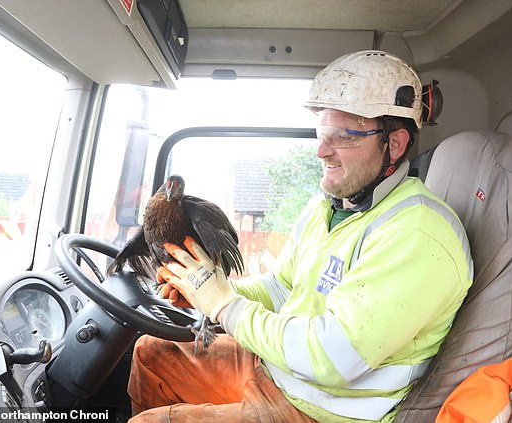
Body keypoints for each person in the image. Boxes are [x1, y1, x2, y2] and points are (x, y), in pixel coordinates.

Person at [127, 50, 474, 422]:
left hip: (321, 411)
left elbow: (332, 357)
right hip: (278, 372)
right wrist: (208, 290)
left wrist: (226, 306)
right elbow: (282, 289)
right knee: (149, 354)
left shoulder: (419, 234)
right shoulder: (326, 208)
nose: (321, 150)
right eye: (322, 133)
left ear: (395, 144)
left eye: (343, 136)